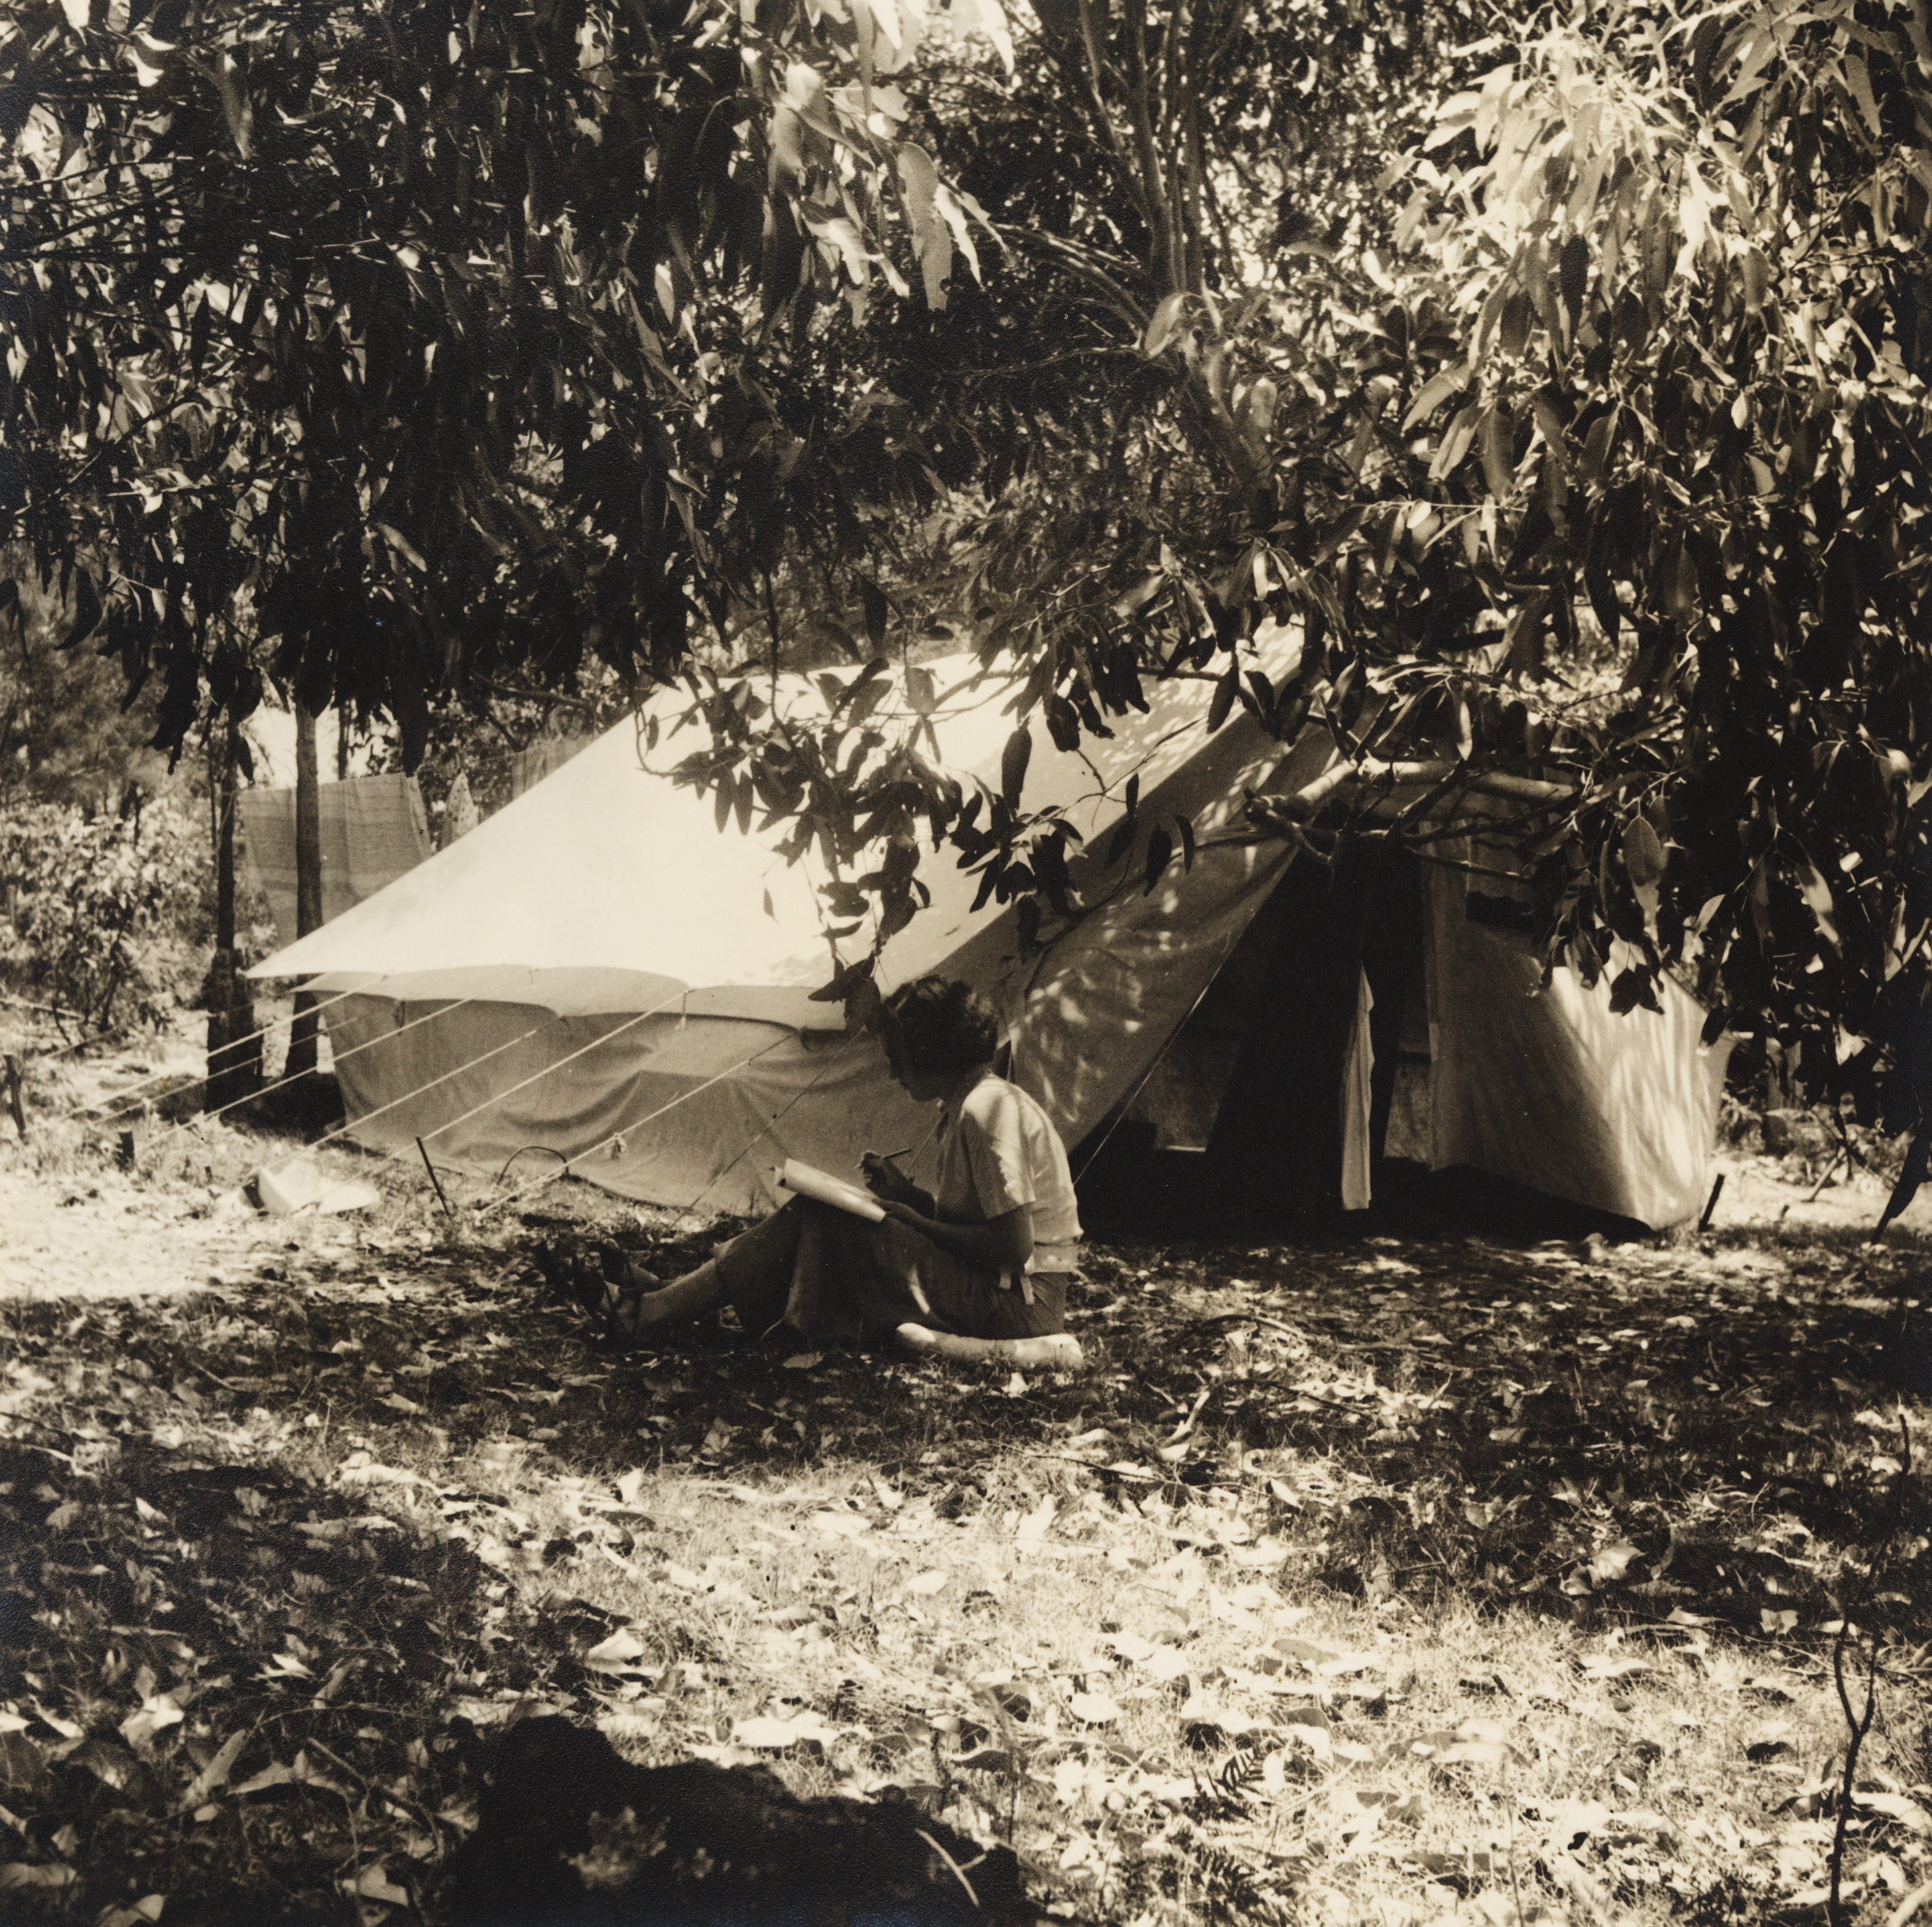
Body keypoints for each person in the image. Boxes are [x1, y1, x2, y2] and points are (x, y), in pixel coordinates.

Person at [579, 976, 1084, 1360]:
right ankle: (668, 1300)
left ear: (930, 1052)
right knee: (822, 1210)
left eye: (897, 1057)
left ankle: (656, 1309)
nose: (891, 1072)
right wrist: (909, 1198)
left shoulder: (985, 1111)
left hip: (1021, 1308)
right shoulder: (974, 1103)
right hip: (1001, 1289)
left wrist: (913, 1221)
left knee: (825, 1216)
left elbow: (1014, 1248)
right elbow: (982, 1226)